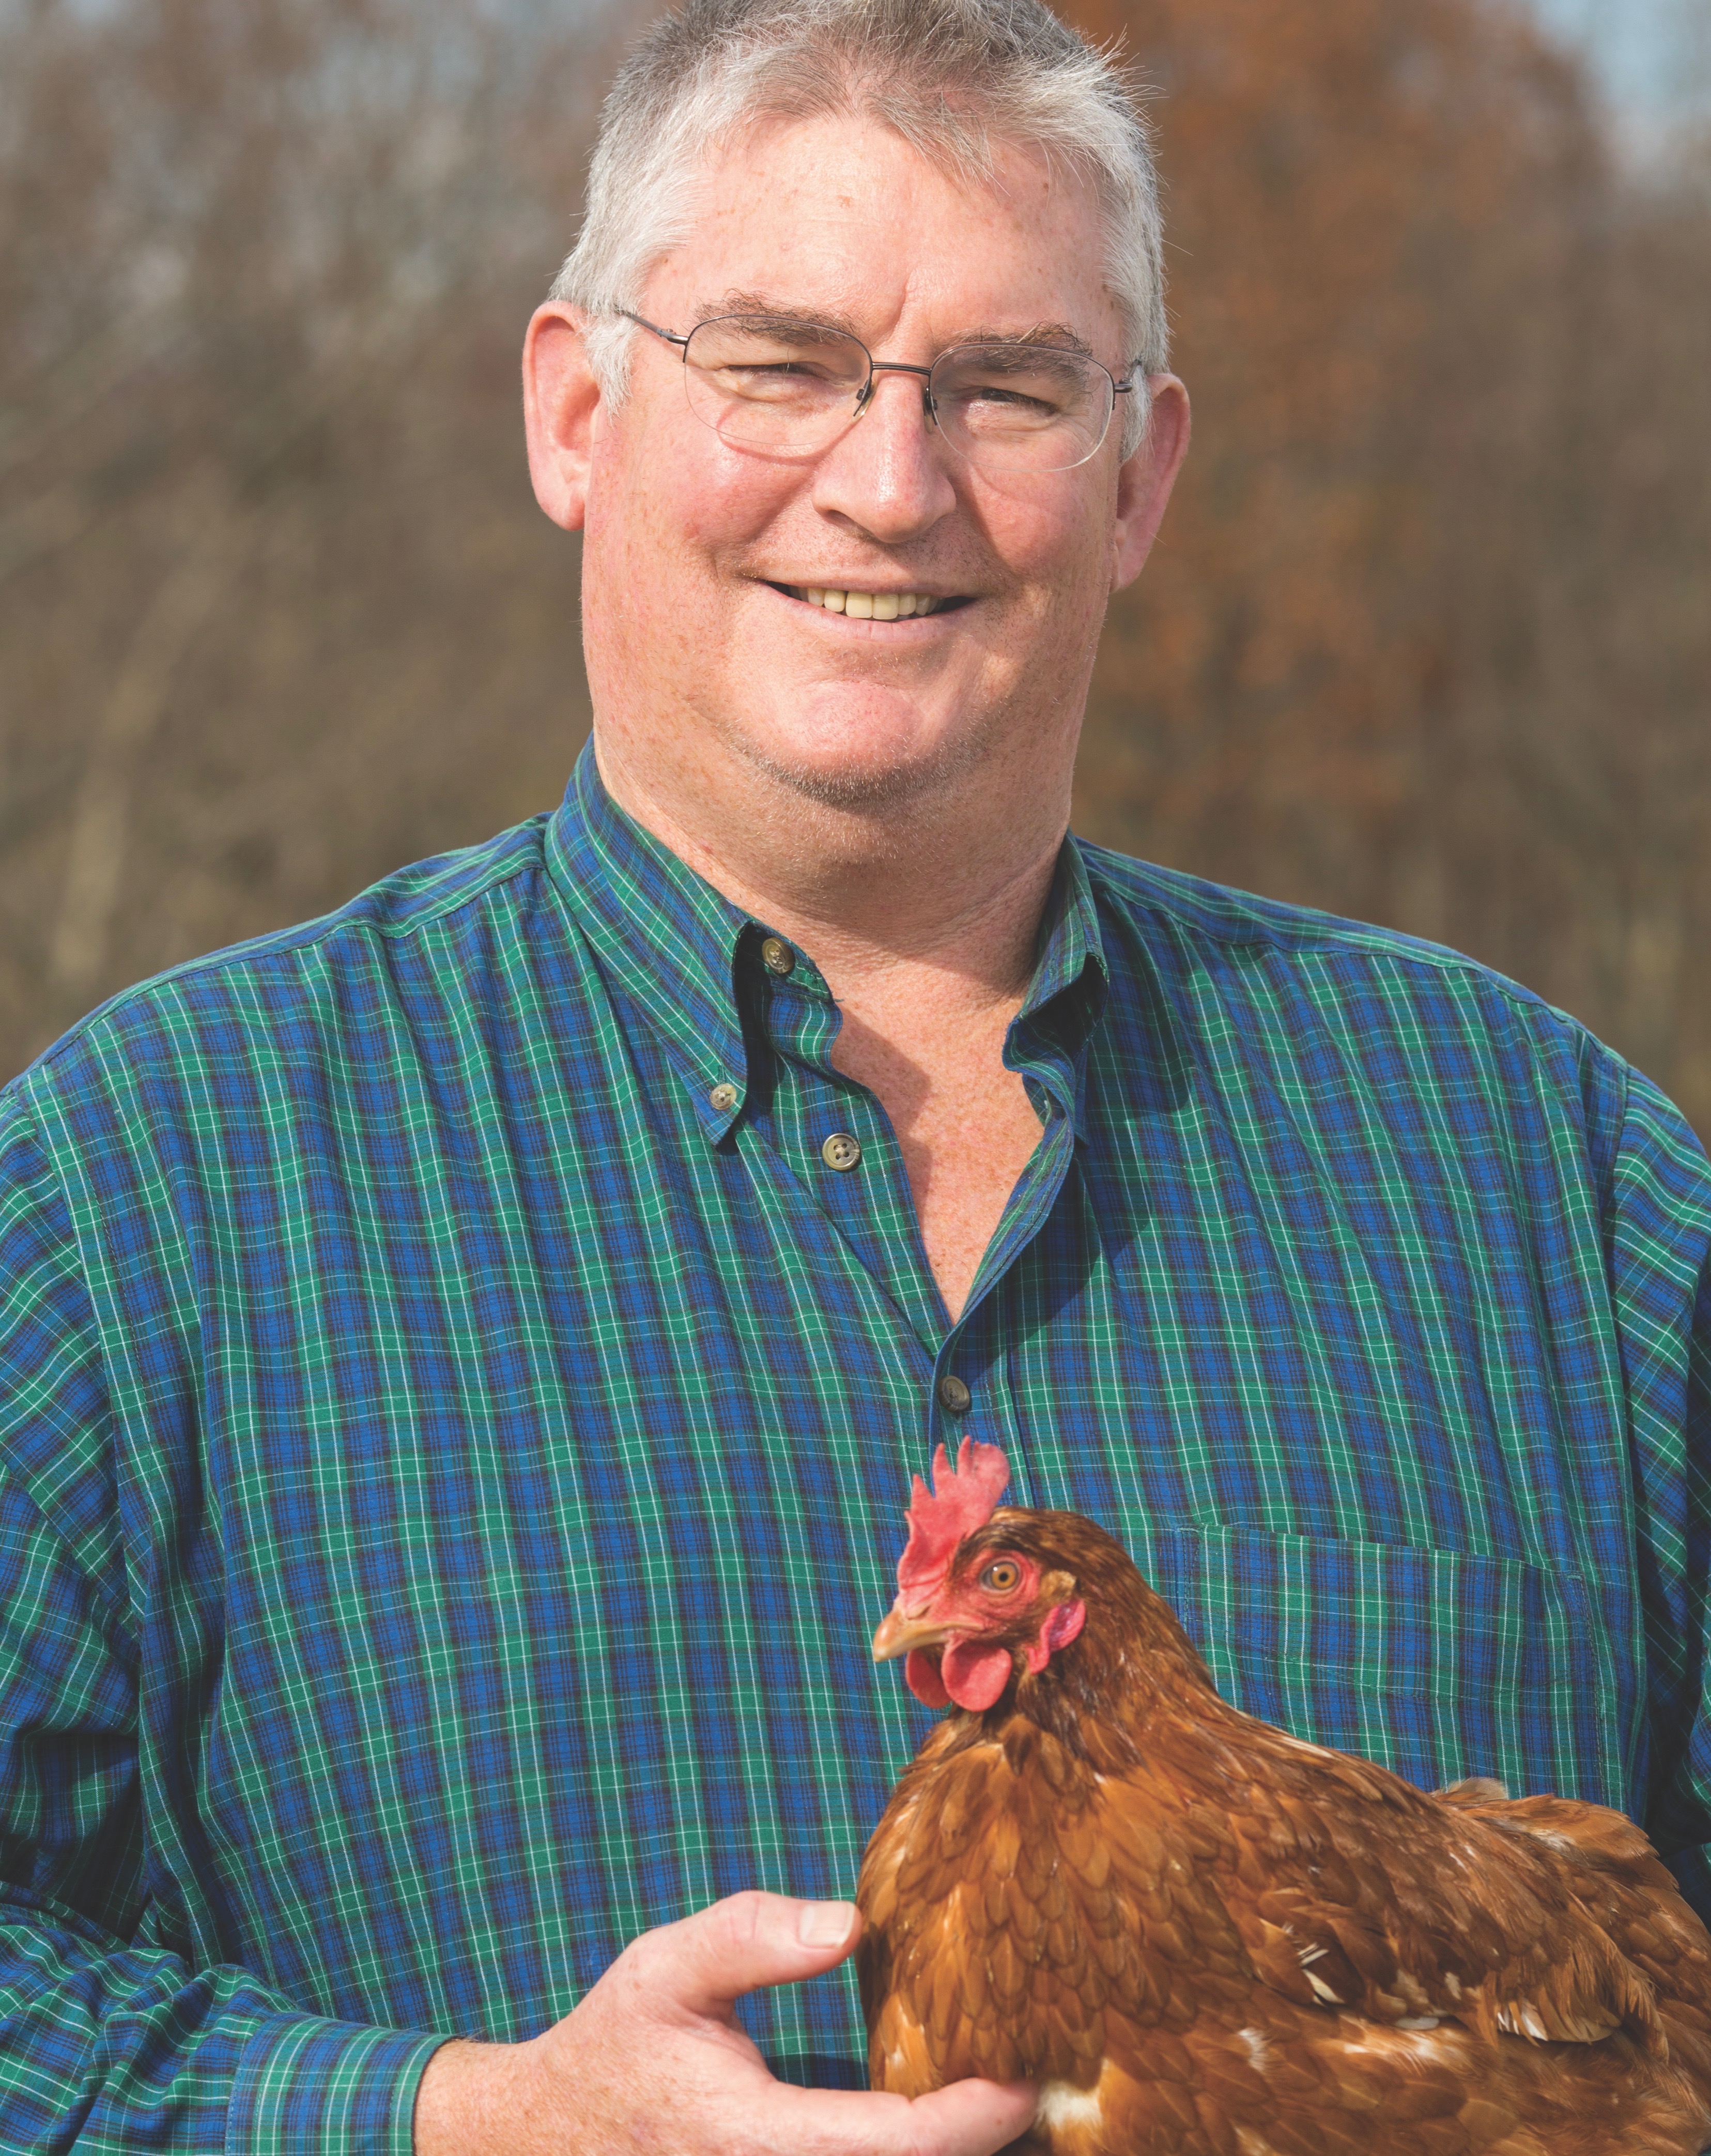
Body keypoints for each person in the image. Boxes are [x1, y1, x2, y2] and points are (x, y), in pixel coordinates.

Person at [1, 0, 1706, 2148]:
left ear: (1142, 474)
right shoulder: (152, 1186)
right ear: (573, 414)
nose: (888, 485)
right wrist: (437, 2117)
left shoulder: (1549, 1181)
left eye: (1006, 387)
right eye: (781, 363)